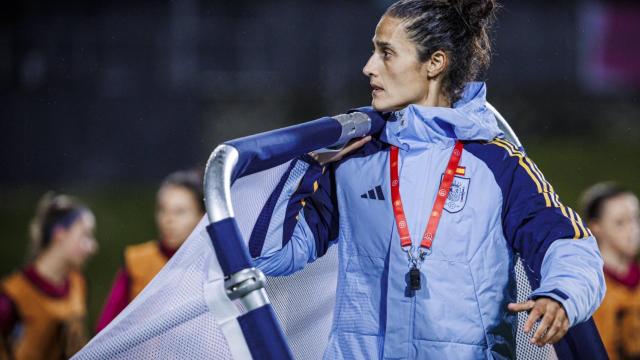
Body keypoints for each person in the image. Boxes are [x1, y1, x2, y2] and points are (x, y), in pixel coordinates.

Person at [248, 0, 606, 358]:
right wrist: (305, 163)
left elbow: (569, 245)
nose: (368, 67)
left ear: (435, 63)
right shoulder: (353, 159)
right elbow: (271, 257)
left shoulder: (498, 163)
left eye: (386, 53)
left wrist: (561, 296)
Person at [95, 169, 204, 333]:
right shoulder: (137, 262)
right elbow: (106, 331)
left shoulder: (213, 264)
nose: (168, 219)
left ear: (202, 217)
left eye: (180, 211)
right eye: (162, 209)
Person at [0, 193, 98, 360]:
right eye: (85, 235)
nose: (93, 247)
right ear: (59, 235)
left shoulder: (77, 284)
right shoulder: (13, 295)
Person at [582, 183, 640, 359]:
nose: (633, 230)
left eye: (636, 218)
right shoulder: (585, 289)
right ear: (596, 227)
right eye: (620, 222)